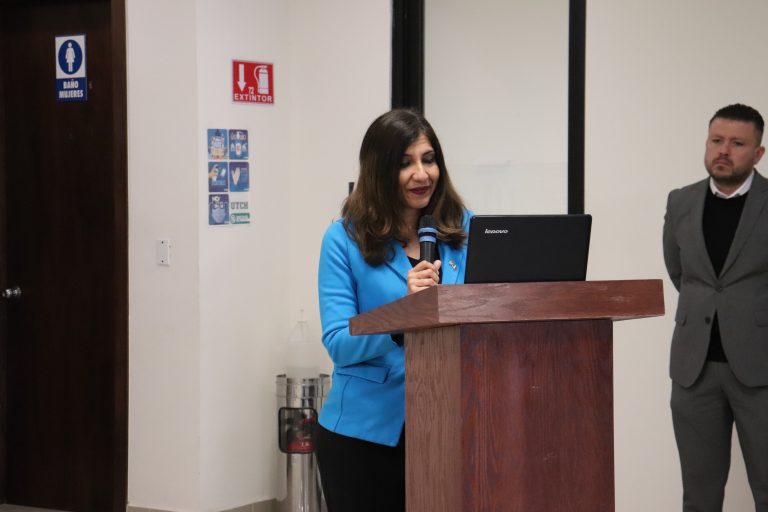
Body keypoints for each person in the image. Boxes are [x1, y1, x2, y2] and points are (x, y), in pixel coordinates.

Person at [315, 109, 471, 512]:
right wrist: (403, 315)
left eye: (429, 159)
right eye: (405, 163)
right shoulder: (343, 239)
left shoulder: (463, 228)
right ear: (379, 170)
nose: (422, 174)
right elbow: (339, 343)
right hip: (365, 436)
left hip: (449, 424)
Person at [663, 103, 768, 511]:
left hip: (760, 369)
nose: (723, 150)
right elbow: (681, 273)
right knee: (700, 494)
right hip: (695, 370)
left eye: (737, 144)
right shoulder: (681, 201)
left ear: (758, 153)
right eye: (716, 140)